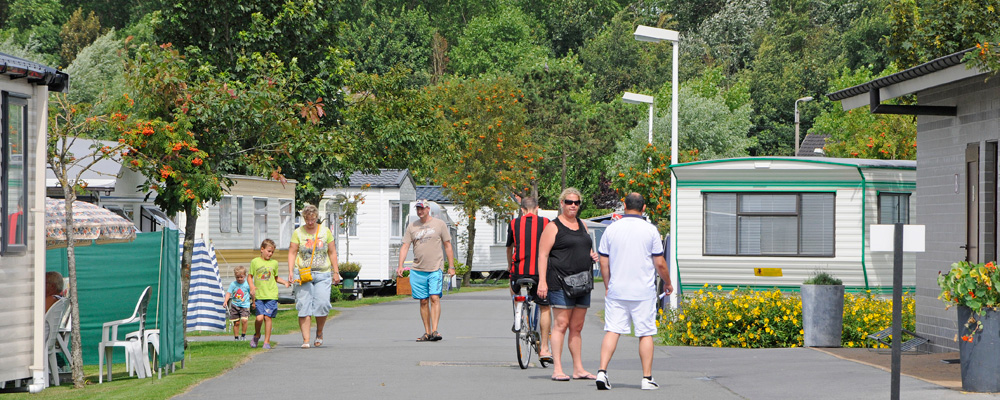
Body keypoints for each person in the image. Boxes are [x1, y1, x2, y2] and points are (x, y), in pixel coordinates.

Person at [594, 193, 673, 391]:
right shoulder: (650, 230)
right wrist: (668, 283)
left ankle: (602, 372)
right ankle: (647, 378)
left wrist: (607, 284)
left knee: (612, 330)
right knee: (645, 333)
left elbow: (603, 261)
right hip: (642, 291)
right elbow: (659, 262)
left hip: (617, 289)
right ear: (643, 207)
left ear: (624, 206)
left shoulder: (612, 229)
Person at [537, 187, 599, 381]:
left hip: (582, 282)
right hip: (560, 282)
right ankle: (557, 369)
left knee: (577, 326)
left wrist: (591, 255)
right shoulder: (553, 226)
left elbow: (584, 247)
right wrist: (542, 281)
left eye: (576, 203)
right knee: (561, 324)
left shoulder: (582, 225)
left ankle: (578, 368)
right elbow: (543, 254)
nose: (573, 206)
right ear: (562, 203)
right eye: (569, 202)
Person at [396, 199, 455, 342]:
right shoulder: (412, 227)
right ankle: (427, 332)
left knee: (434, 297)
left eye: (422, 208)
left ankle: (435, 330)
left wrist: (451, 266)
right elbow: (405, 246)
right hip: (418, 268)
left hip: (435, 267)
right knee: (423, 300)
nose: (420, 211)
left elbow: (447, 245)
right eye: (418, 209)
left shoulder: (439, 224)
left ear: (428, 209)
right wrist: (400, 265)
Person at [505, 196, 552, 363]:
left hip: (519, 271)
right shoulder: (546, 222)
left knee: (513, 289)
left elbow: (509, 247)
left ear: (522, 209)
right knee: (544, 306)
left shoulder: (514, 224)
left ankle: (519, 314)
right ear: (537, 208)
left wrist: (510, 266)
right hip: (540, 273)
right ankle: (545, 348)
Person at [287, 204, 341, 348]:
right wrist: (291, 271)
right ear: (304, 218)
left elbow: (332, 252)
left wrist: (336, 271)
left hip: (322, 273)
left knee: (322, 304)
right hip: (303, 272)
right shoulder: (298, 232)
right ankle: (306, 339)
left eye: (312, 219)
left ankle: (319, 332)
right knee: (304, 305)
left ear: (317, 217)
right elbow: (292, 252)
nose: (310, 222)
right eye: (307, 219)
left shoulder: (325, 232)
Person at [249, 238, 290, 349]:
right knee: (259, 318)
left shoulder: (274, 263)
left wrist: (285, 282)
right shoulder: (255, 262)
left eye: (272, 252)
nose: (270, 254)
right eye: (268, 251)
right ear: (262, 249)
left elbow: (275, 277)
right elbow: (250, 276)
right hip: (259, 295)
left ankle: (267, 341)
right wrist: (252, 286)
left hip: (271, 294)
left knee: (268, 317)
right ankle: (257, 335)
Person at [224, 266, 253, 341]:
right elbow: (228, 293)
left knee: (244, 320)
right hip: (235, 305)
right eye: (237, 277)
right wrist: (225, 301)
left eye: (241, 277)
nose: (239, 279)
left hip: (245, 305)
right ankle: (236, 337)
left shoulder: (247, 284)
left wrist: (254, 302)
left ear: (245, 276)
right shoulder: (233, 284)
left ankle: (243, 335)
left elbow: (252, 293)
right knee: (236, 322)